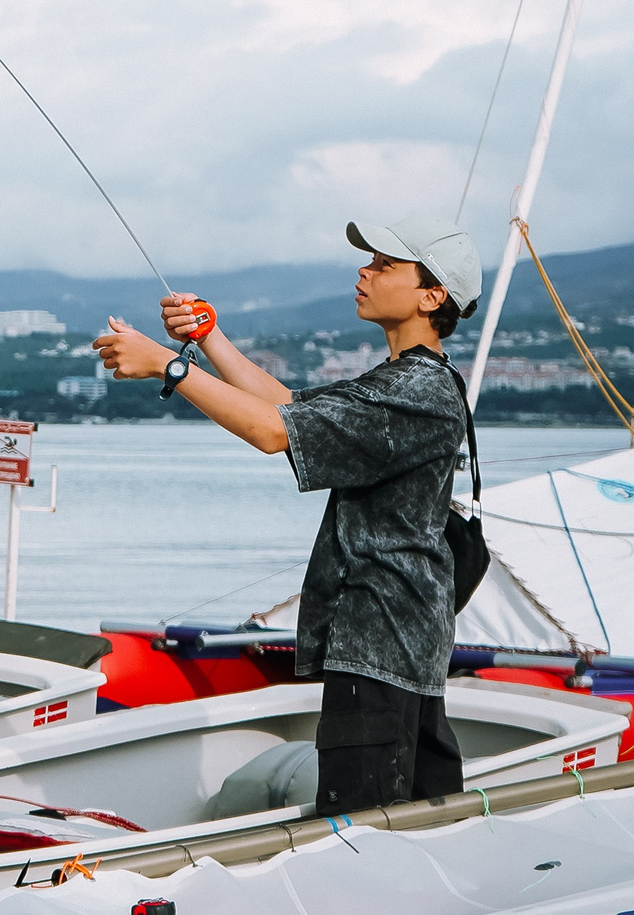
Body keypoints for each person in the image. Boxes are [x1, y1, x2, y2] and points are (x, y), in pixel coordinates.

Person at [93, 213, 478, 817]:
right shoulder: (402, 381)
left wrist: (169, 366)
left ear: (433, 295)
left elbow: (273, 434)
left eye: (384, 265)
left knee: (362, 828)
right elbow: (289, 407)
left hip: (381, 644)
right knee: (413, 821)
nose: (364, 271)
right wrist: (208, 336)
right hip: (397, 644)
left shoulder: (418, 391)